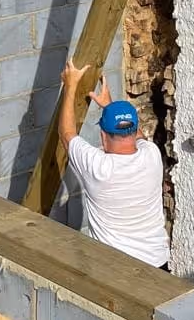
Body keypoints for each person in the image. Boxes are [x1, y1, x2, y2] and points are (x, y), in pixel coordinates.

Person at [59, 61, 171, 270]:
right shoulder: (152, 155)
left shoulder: (99, 168)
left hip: (117, 271)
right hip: (158, 267)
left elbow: (66, 134)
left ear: (103, 135)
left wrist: (70, 85)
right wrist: (109, 107)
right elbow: (138, 137)